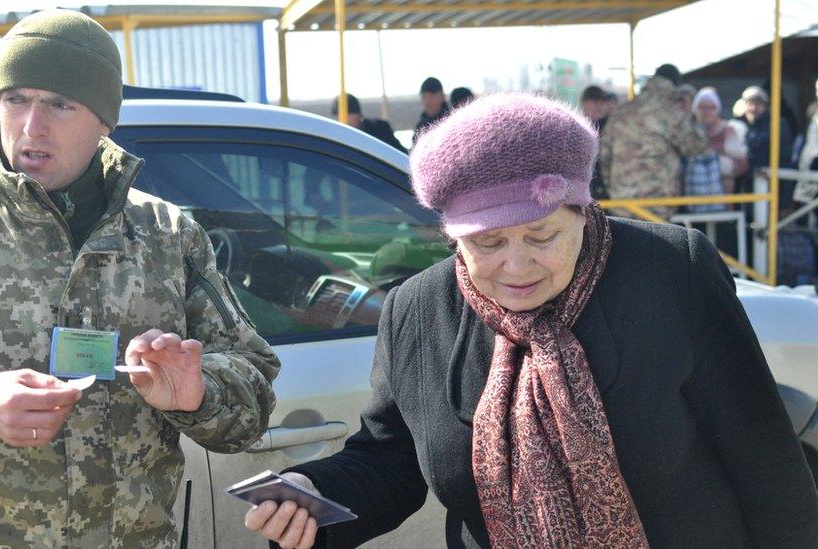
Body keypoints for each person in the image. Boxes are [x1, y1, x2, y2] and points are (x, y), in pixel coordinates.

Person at [244, 93, 818, 548]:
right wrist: (312, 494)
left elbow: (766, 461)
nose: (516, 266)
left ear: (582, 210)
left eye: (542, 236)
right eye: (488, 243)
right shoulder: (418, 312)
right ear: (452, 237)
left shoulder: (671, 271)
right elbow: (390, 457)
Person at [0, 10, 279, 547]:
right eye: (16, 99)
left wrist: (197, 391)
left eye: (60, 104)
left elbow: (253, 395)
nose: (32, 126)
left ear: (104, 122)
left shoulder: (167, 235)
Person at [599, 63, 707, 218]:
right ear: (675, 84)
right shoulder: (671, 111)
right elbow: (695, 146)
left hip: (622, 200)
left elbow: (604, 155)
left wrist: (613, 188)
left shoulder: (622, 111)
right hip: (658, 201)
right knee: (656, 241)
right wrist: (690, 113)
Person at [686, 87, 748, 208]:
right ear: (695, 109)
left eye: (711, 108)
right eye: (702, 107)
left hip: (723, 201)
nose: (707, 112)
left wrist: (715, 161)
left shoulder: (728, 131)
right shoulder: (688, 131)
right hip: (694, 201)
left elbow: (741, 165)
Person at [742, 85, 795, 208]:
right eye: (750, 103)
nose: (753, 108)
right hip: (754, 190)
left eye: (758, 104)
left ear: (766, 106)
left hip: (774, 191)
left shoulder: (777, 125)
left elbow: (785, 158)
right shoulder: (748, 127)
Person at [331, 93, 405, 153]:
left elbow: (399, 154)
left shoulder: (379, 129)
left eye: (349, 114)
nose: (344, 119)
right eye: (338, 116)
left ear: (358, 114)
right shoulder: (333, 139)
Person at [412, 76, 450, 145]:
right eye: (424, 97)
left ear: (442, 97)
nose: (428, 101)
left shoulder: (451, 121)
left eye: (432, 96)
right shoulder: (420, 127)